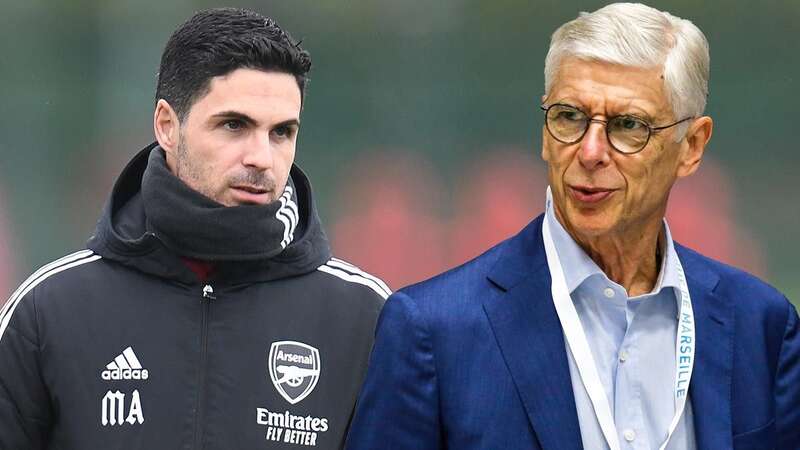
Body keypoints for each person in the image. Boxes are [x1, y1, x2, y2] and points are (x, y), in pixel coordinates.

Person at [345, 3, 800, 450]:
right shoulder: (435, 331)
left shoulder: (761, 326)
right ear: (545, 133)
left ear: (692, 146)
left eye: (627, 125)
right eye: (569, 117)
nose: (590, 151)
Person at [0, 8, 389, 450]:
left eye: (281, 132)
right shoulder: (47, 312)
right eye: (234, 125)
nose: (261, 156)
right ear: (167, 126)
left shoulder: (366, 318)